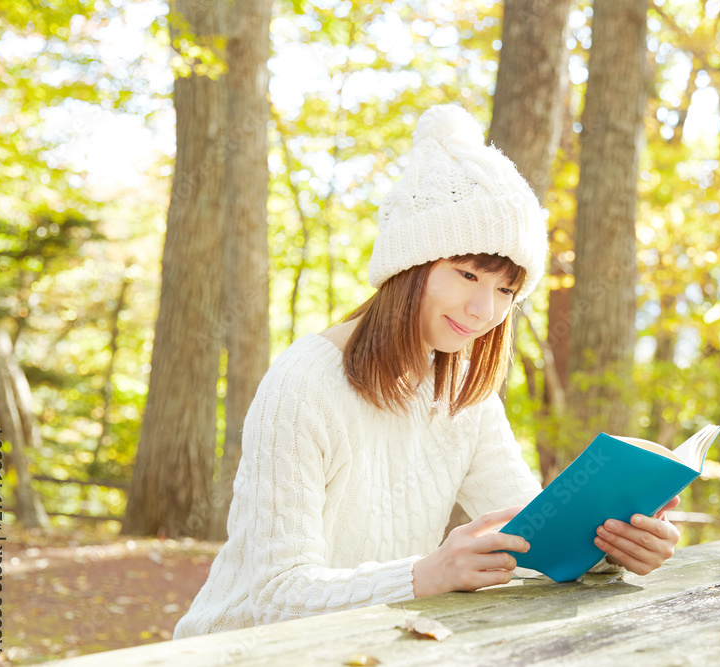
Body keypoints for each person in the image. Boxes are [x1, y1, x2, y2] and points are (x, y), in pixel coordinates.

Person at [173, 104, 680, 639]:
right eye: (467, 274)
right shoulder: (302, 385)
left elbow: (530, 538)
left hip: (370, 646)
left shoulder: (463, 390)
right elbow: (272, 595)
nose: (485, 310)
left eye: (507, 289)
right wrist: (425, 574)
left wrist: (613, 546)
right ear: (408, 266)